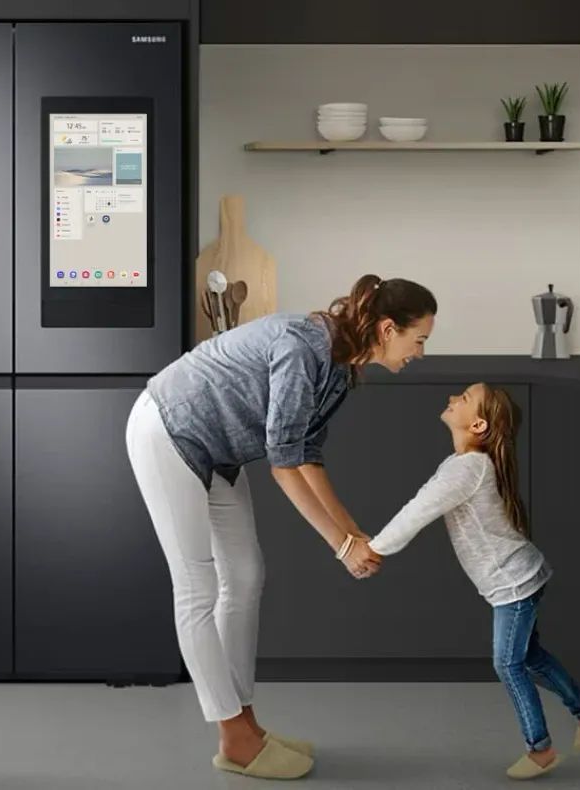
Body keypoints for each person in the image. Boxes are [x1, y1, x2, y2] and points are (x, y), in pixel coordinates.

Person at [125, 273, 437, 780]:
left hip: (220, 449)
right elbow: (283, 463)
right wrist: (341, 547)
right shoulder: (302, 347)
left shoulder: (340, 368)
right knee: (197, 590)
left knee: (245, 577)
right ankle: (234, 737)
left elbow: (308, 455)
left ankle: (246, 725)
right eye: (418, 339)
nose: (420, 352)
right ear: (386, 329)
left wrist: (355, 534)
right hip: (168, 430)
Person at [366, 382, 580, 780]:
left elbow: (418, 511)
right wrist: (376, 544)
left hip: (514, 585)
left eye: (462, 399)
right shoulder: (461, 465)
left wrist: (374, 549)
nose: (452, 398)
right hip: (520, 577)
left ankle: (541, 749)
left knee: (507, 663)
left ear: (477, 424)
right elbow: (423, 501)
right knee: (530, 656)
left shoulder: (468, 467)